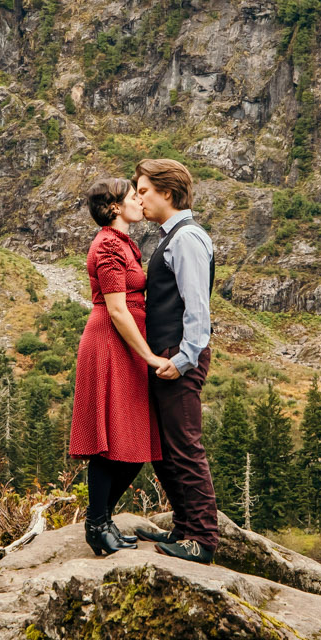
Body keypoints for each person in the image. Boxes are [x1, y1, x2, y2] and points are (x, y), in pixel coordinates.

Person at [68, 176, 171, 556]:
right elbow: (116, 308)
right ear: (114, 208)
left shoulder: (124, 243)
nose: (140, 202)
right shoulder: (110, 244)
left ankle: (101, 521)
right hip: (112, 343)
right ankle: (97, 525)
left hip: (123, 343)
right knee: (109, 441)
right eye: (133, 197)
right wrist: (148, 356)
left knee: (131, 441)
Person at [130, 158, 219, 564]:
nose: (138, 197)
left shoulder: (186, 238)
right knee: (163, 449)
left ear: (167, 192)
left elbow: (197, 309)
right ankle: (185, 527)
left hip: (177, 355)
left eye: (144, 190)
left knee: (184, 446)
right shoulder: (172, 237)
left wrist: (183, 359)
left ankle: (202, 538)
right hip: (167, 354)